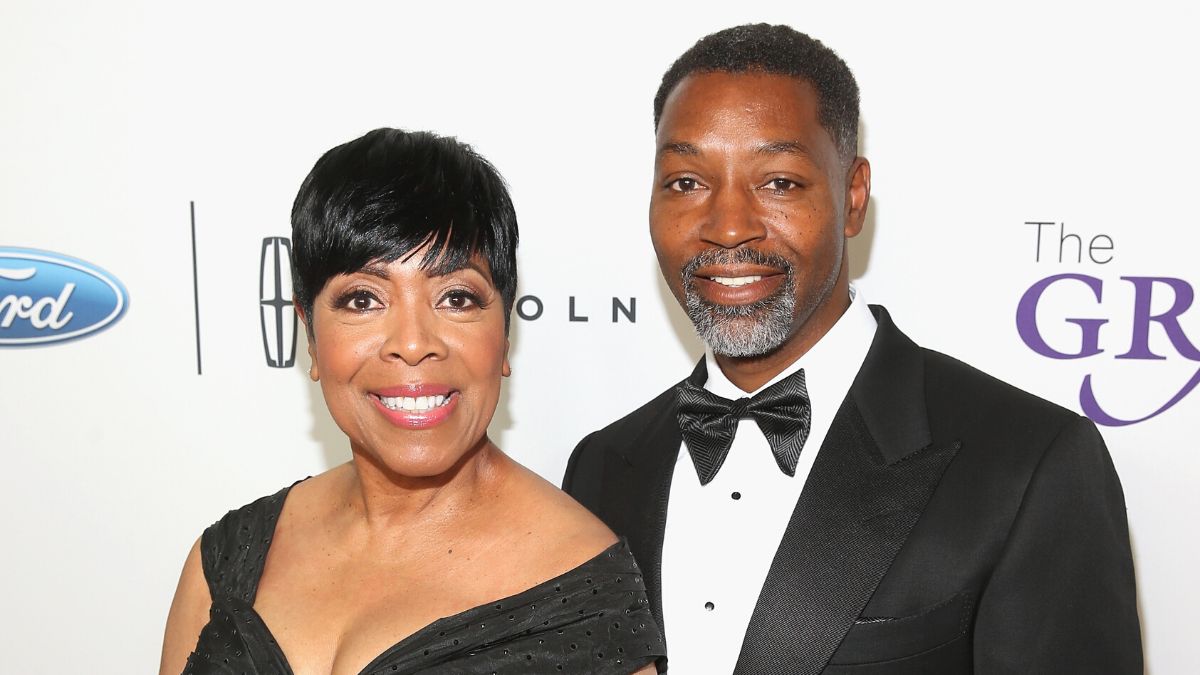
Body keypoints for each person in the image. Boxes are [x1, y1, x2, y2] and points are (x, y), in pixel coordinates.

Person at [563, 24, 1141, 674]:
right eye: (686, 182)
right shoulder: (600, 467)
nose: (727, 226)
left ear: (853, 196)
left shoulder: (1030, 464)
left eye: (779, 182)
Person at [159, 128, 664, 675]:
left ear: (505, 333)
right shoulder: (226, 560)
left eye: (456, 297)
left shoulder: (582, 601)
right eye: (362, 299)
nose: (414, 342)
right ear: (309, 336)